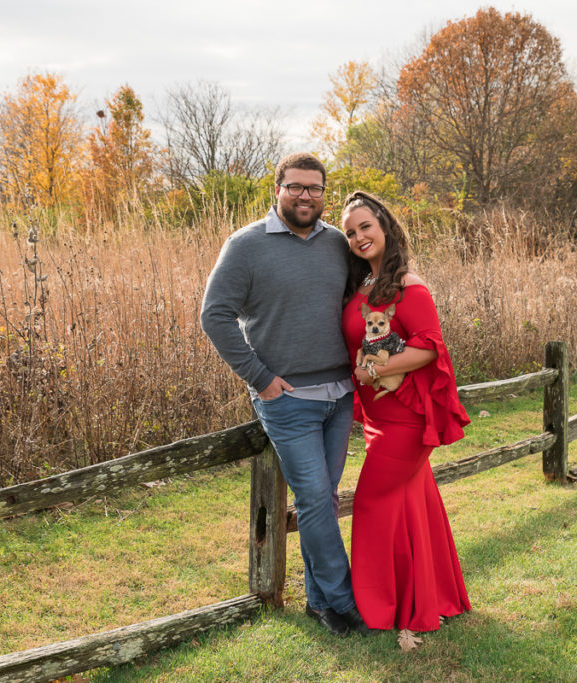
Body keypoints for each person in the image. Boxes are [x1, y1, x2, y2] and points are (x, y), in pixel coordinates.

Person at [200, 153, 369, 637]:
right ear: (276, 189)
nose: (305, 196)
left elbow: (368, 296)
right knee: (315, 498)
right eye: (295, 187)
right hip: (288, 398)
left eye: (315, 189)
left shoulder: (337, 244)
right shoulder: (246, 245)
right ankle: (343, 602)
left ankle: (320, 602)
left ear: (323, 194)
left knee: (324, 501)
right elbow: (215, 315)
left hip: (339, 394)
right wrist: (260, 378)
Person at [341, 190, 472, 632]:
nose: (359, 237)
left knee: (372, 501)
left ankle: (378, 607)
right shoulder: (361, 286)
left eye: (366, 227)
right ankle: (431, 598)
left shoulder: (409, 287)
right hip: (378, 420)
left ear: (385, 227)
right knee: (415, 501)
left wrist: (372, 374)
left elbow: (430, 349)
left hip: (405, 418)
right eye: (351, 232)